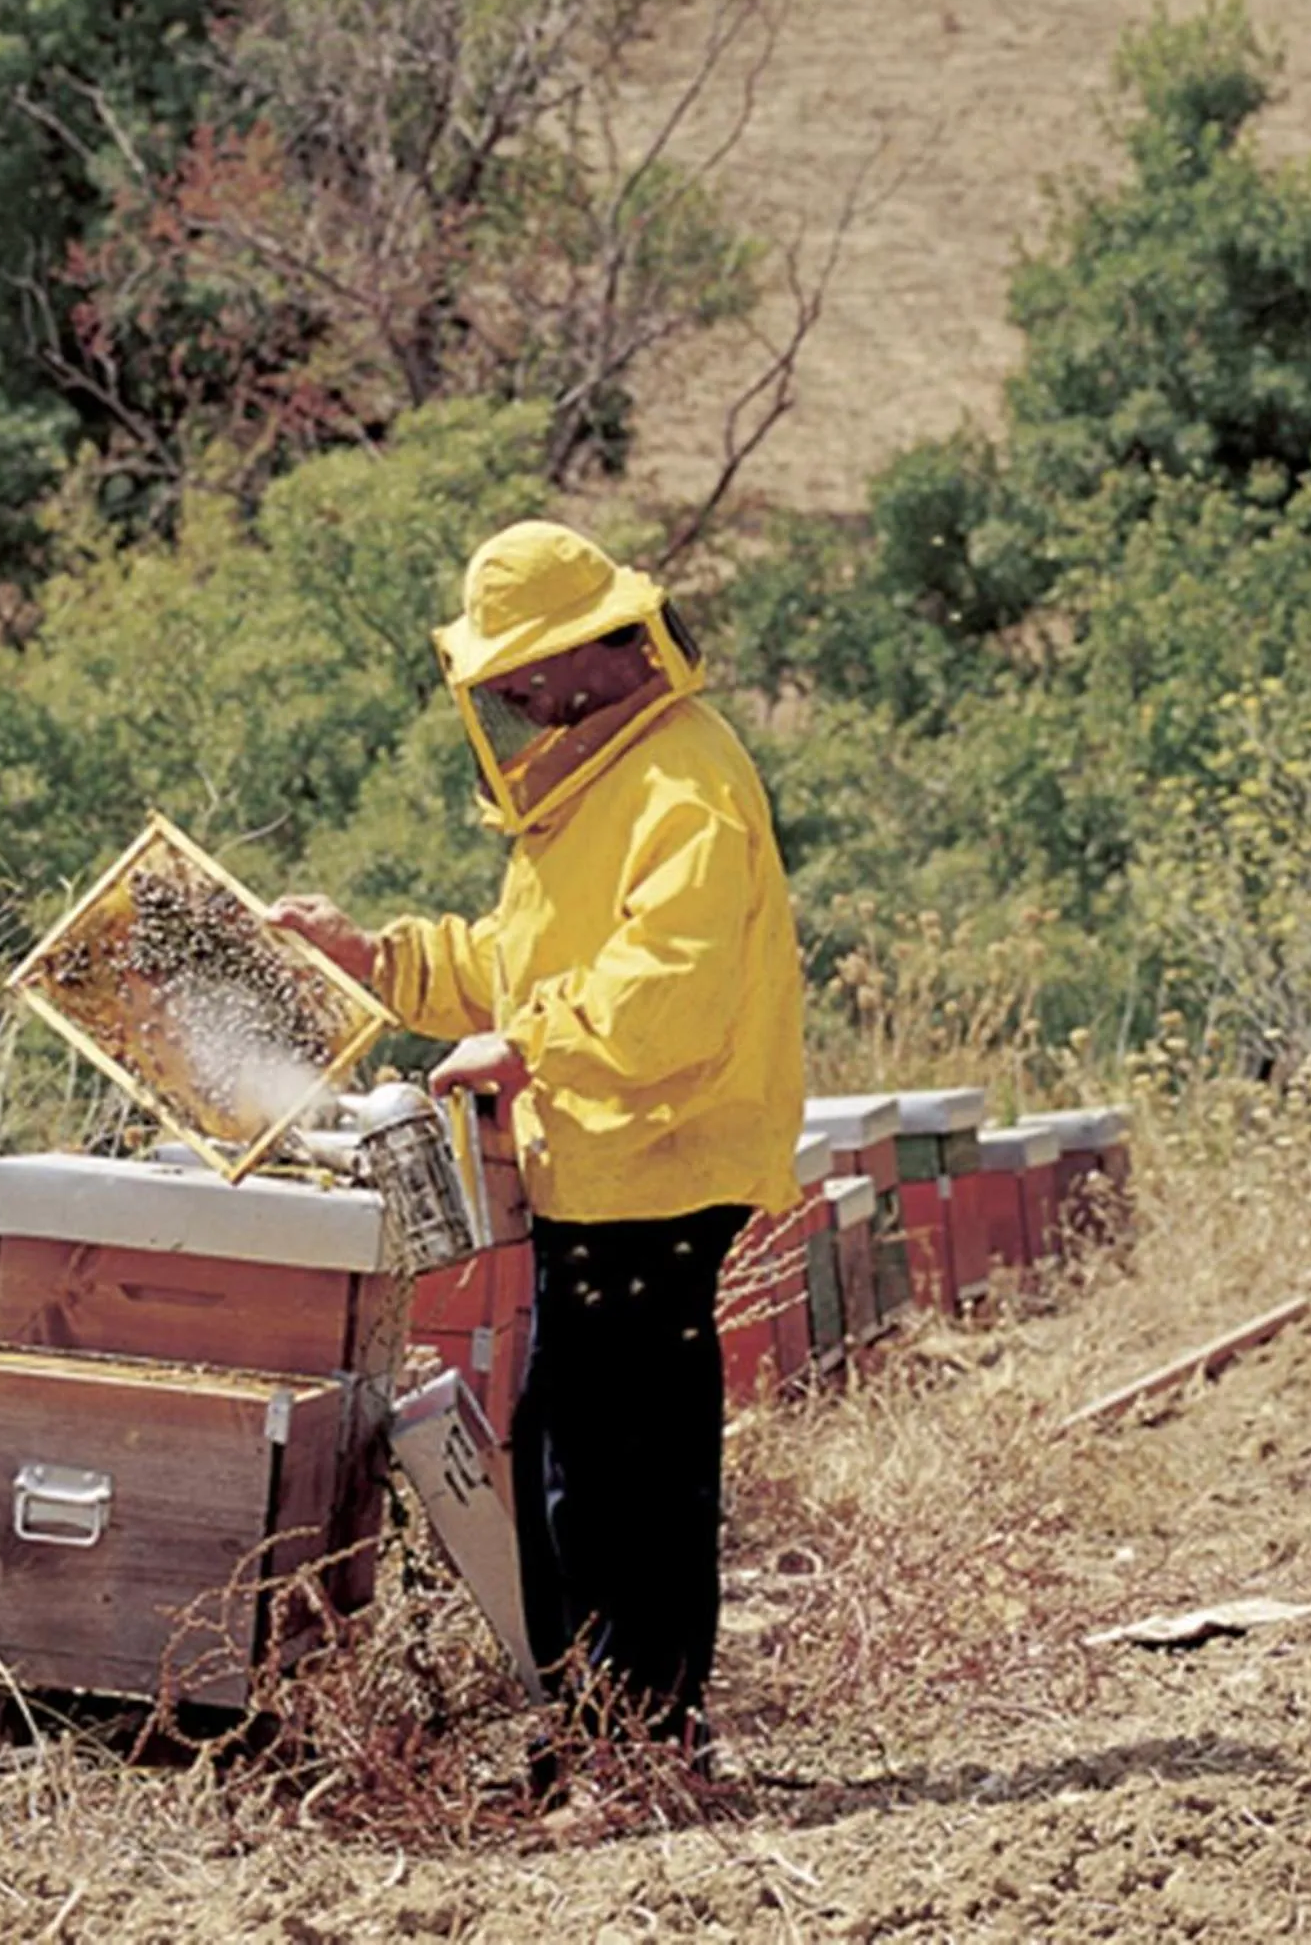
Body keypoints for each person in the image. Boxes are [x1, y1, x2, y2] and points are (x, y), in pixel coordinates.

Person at [273, 519, 805, 1763]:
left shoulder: (684, 783)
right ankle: (601, 1726)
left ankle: (638, 1739)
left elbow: (663, 990)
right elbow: (520, 969)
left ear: (588, 649)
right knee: (571, 1447)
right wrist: (376, 958)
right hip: (608, 1160)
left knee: (621, 1469)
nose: (509, 694)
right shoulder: (600, 783)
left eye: (522, 666)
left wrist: (524, 1051)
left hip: (658, 1164)